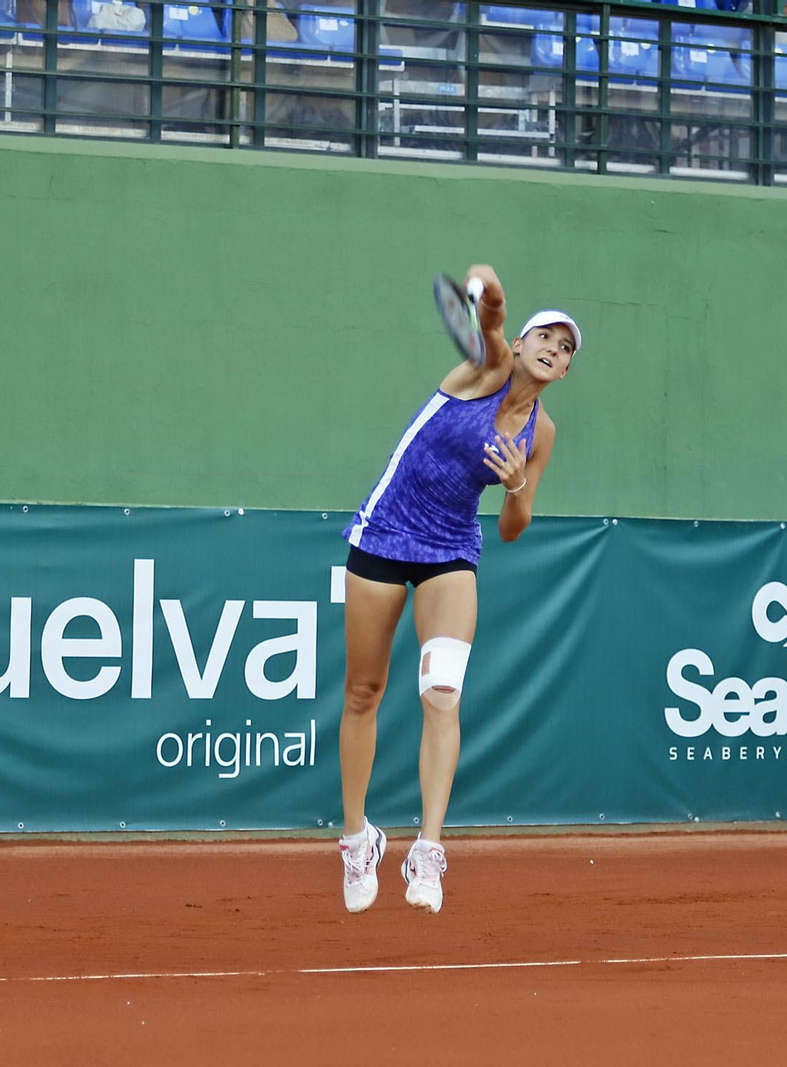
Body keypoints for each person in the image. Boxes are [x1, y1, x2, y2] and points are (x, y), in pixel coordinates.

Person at [335, 265, 580, 914]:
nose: (555, 350)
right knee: (364, 690)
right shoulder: (486, 366)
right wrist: (484, 284)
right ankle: (358, 837)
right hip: (384, 532)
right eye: (547, 338)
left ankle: (428, 848)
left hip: (451, 549)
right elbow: (493, 311)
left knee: (441, 692)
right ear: (523, 344)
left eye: (566, 349)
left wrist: (516, 486)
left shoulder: (542, 434)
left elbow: (510, 530)